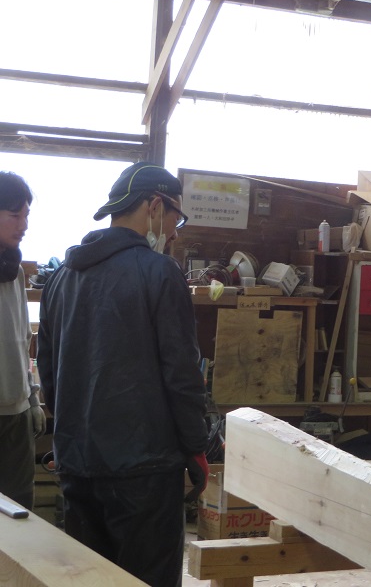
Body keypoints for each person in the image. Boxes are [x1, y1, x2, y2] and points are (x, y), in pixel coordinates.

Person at [37, 162, 209, 586]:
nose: (174, 233)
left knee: (89, 580)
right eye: (175, 218)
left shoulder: (60, 278)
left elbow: (50, 375)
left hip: (78, 466)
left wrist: (68, 442)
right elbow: (181, 374)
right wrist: (197, 447)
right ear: (154, 206)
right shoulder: (160, 273)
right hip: (145, 472)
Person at [0, 171, 45, 511]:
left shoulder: (14, 271)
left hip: (16, 414)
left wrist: (32, 399)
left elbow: (22, 339)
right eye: (15, 215)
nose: (24, 225)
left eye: (27, 215)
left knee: (19, 512)